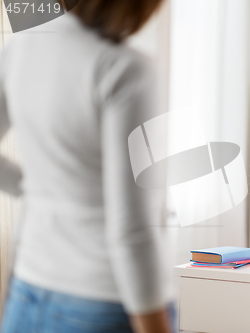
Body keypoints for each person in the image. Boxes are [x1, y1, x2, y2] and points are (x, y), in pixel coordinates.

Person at [0, 1, 175, 332]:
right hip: (101, 301)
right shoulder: (125, 69)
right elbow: (132, 230)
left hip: (28, 291)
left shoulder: (21, 47)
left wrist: (40, 189)